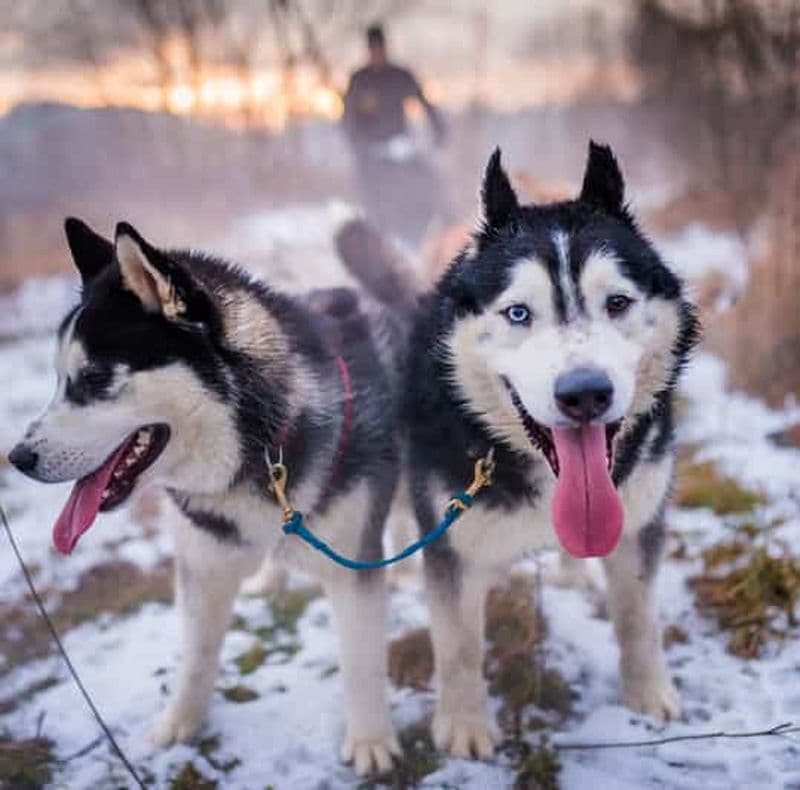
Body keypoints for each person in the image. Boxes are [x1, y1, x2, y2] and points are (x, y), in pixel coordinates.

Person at [342, 24, 447, 245]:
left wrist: (439, 132)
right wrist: (358, 146)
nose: (376, 54)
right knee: (374, 204)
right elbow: (348, 118)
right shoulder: (359, 80)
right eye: (373, 49)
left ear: (385, 47)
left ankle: (415, 240)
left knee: (417, 192)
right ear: (368, 50)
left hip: (400, 149)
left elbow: (425, 104)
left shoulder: (400, 76)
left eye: (380, 48)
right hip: (370, 155)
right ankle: (379, 244)